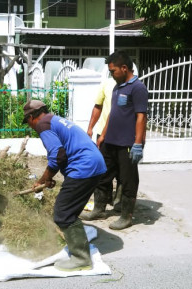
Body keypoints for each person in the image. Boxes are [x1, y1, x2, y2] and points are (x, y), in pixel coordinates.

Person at [24, 100, 106, 272]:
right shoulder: (54, 119)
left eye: (28, 122)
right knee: (70, 209)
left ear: (32, 117)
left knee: (63, 213)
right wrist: (49, 179)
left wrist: (42, 180)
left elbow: (57, 155)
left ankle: (81, 259)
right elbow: (65, 153)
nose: (30, 126)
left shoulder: (42, 124)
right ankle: (78, 249)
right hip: (94, 164)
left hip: (85, 166)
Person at [97, 51, 148, 230]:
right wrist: (103, 135)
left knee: (127, 180)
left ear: (124, 68)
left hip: (127, 143)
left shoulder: (138, 88)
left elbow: (141, 117)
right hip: (110, 141)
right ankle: (99, 209)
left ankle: (126, 217)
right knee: (102, 175)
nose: (111, 74)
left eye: (113, 70)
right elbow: (113, 113)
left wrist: (138, 144)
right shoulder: (118, 86)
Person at [80, 78, 122, 221]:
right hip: (104, 136)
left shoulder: (133, 86)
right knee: (103, 171)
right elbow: (98, 106)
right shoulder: (107, 83)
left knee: (123, 173)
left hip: (124, 135)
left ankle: (119, 204)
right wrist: (90, 128)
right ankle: (99, 208)